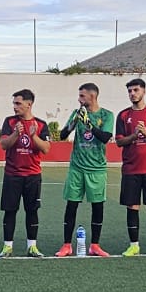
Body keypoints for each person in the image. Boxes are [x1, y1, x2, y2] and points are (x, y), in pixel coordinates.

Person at [50, 82, 115, 256]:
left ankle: (95, 245)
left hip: (97, 169)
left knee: (97, 207)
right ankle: (66, 245)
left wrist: (89, 125)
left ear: (92, 96)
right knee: (71, 205)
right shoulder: (76, 113)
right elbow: (63, 135)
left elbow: (105, 138)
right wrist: (74, 122)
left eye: (82, 96)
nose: (79, 99)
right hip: (76, 168)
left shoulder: (106, 115)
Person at [114, 78, 146, 256]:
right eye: (129, 91)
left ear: (144, 91)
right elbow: (119, 141)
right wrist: (134, 135)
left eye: (135, 90)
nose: (132, 94)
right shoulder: (122, 115)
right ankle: (134, 245)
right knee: (132, 207)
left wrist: (144, 132)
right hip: (131, 170)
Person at [0, 88, 49, 257]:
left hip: (33, 176)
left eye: (18, 103)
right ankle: (7, 246)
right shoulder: (9, 122)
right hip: (12, 175)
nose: (15, 107)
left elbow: (46, 149)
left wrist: (33, 137)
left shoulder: (40, 124)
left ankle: (32, 246)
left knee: (32, 211)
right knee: (10, 210)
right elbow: (4, 145)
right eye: (13, 103)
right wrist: (15, 133)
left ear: (29, 104)